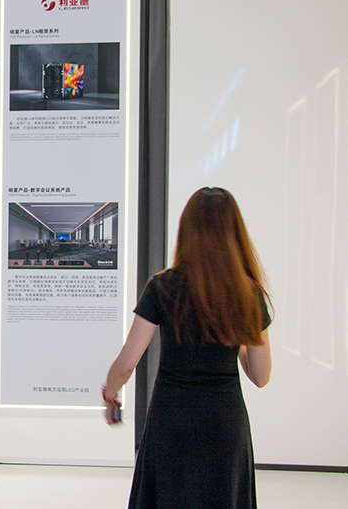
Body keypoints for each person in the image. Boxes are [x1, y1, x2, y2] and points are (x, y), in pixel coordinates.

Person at [104, 187, 272, 509]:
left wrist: (110, 392)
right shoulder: (249, 292)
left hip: (172, 419)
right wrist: (233, 336)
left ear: (187, 230)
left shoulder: (162, 286)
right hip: (225, 422)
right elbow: (261, 376)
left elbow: (127, 362)